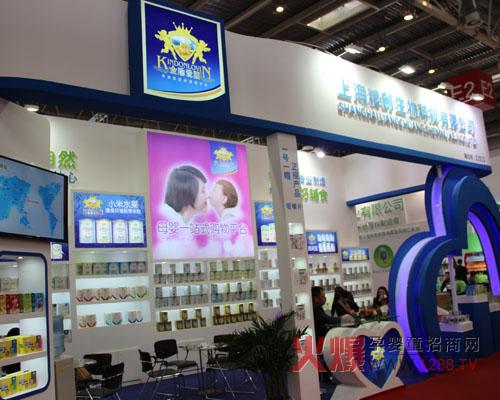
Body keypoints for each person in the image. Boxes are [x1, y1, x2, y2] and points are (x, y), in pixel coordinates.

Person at [311, 286, 339, 386]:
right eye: (323, 296)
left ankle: (325, 377)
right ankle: (326, 377)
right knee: (324, 357)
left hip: (318, 337)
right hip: (319, 338)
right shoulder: (316, 308)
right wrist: (341, 320)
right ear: (316, 298)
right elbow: (325, 319)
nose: (325, 298)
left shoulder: (315, 307)